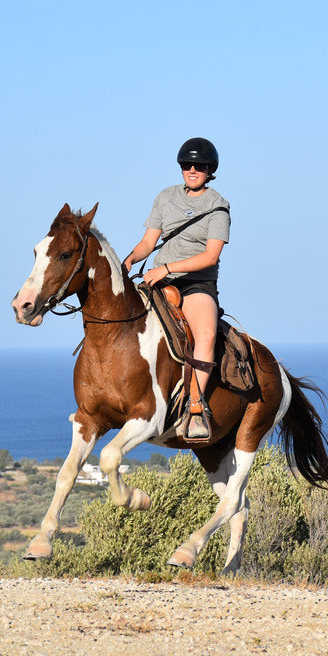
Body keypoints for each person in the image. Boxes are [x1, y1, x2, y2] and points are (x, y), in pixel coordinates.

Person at [123, 137, 230, 439]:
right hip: (159, 279)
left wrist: (168, 268)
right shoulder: (165, 197)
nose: (192, 170)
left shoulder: (217, 207)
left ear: (210, 170)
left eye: (199, 166)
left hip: (196, 284)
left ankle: (196, 408)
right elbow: (148, 242)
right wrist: (129, 260)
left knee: (206, 336)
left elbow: (211, 255)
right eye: (187, 165)